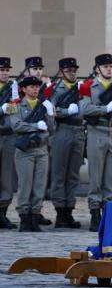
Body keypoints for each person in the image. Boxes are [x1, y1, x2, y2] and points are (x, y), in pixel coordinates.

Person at [80, 54, 112, 231]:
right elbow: (84, 109)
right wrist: (105, 109)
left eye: (111, 66)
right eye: (105, 66)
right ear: (97, 69)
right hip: (97, 132)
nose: (109, 69)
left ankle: (109, 214)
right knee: (96, 175)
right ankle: (95, 213)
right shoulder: (88, 86)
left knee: (111, 177)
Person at [8, 75, 55, 232]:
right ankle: (24, 219)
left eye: (37, 86)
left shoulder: (44, 105)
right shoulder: (16, 105)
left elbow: (52, 129)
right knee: (25, 185)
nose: (35, 89)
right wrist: (36, 125)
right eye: (31, 86)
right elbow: (16, 125)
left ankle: (35, 216)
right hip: (25, 151)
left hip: (42, 149)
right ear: (23, 89)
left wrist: (50, 114)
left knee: (39, 185)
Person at [48, 57, 85, 229]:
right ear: (62, 72)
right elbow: (50, 109)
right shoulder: (56, 88)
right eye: (69, 70)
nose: (72, 73)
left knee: (73, 175)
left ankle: (69, 210)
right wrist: (65, 111)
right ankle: (60, 212)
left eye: (74, 70)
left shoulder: (81, 88)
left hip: (78, 131)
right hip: (62, 130)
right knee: (59, 174)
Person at [0, 57, 17, 229]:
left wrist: (12, 104)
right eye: (2, 70)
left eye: (7, 70)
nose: (5, 73)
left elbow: (15, 111)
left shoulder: (12, 88)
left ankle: (2, 213)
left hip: (8, 136)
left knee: (6, 177)